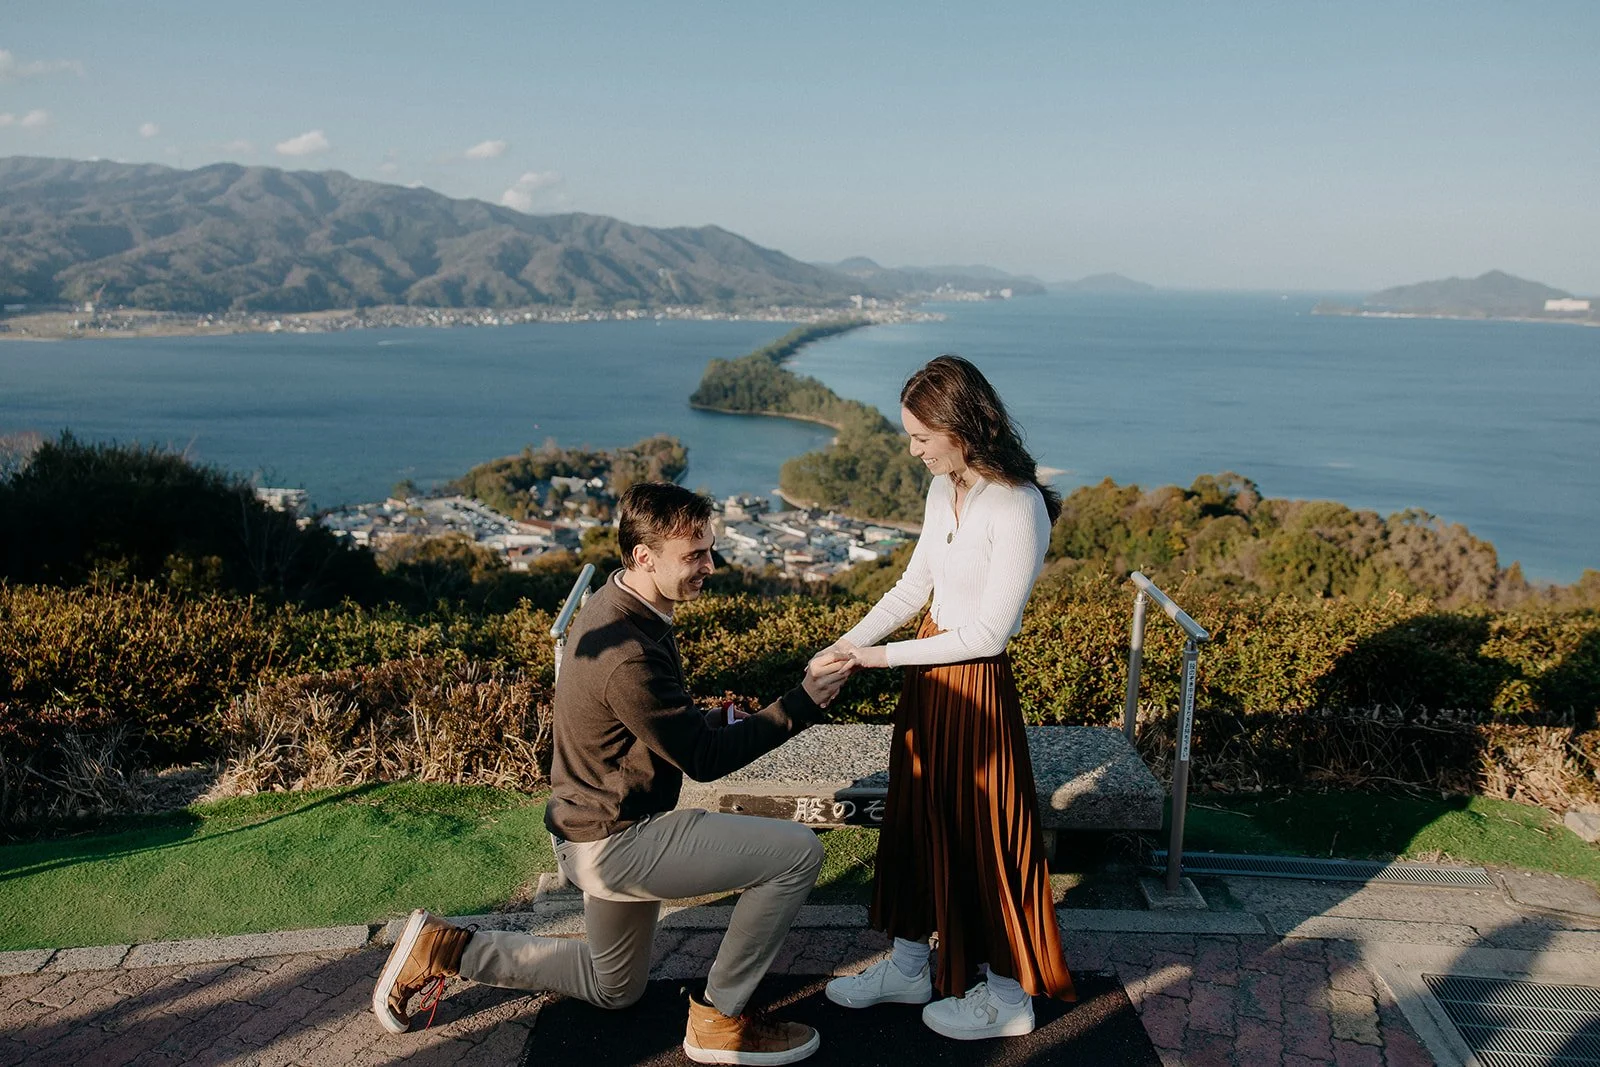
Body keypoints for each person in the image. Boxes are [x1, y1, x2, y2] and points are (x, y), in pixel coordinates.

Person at [373, 482, 852, 1066]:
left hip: (590, 827)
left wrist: (715, 718)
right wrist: (802, 702)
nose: (711, 566)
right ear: (645, 557)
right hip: (617, 841)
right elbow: (702, 759)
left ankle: (444, 948)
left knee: (613, 988)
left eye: (709, 549)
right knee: (797, 852)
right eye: (695, 555)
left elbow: (651, 724)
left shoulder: (621, 603)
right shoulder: (628, 650)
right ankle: (720, 1020)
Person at [820, 354, 1076, 1040]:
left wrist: (879, 656)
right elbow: (913, 589)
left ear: (961, 427)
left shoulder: (1017, 503)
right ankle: (908, 965)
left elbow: (988, 634)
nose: (913, 450)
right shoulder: (946, 490)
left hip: (974, 688)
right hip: (930, 677)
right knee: (913, 821)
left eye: (921, 438)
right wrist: (847, 644)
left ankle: (1008, 995)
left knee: (983, 840)